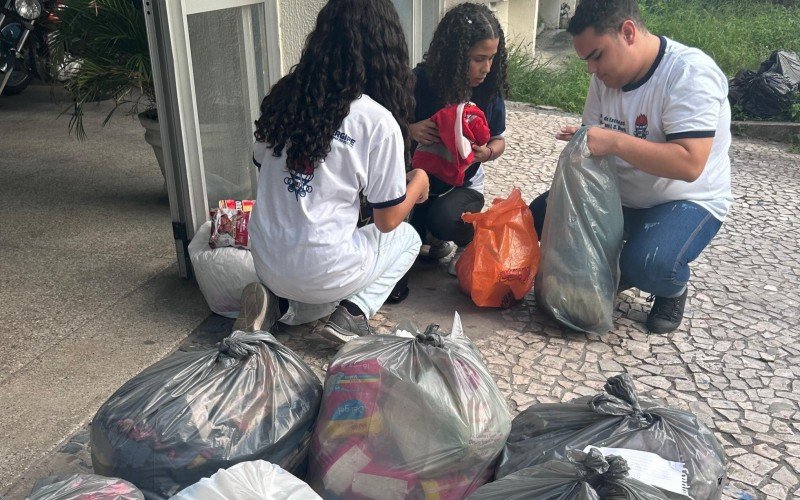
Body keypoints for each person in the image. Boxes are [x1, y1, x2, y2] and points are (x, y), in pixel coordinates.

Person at [529, 0, 732, 334]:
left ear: (628, 32)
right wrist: (584, 143)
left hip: (683, 199)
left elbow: (690, 162)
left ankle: (672, 286)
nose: (591, 70)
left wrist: (615, 142)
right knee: (539, 218)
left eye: (596, 56)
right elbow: (594, 147)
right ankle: (618, 267)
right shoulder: (605, 79)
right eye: (586, 61)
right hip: (621, 194)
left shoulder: (689, 73)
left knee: (649, 263)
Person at [233, 0, 429, 344]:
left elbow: (266, 168)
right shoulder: (375, 120)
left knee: (317, 280)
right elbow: (387, 221)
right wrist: (419, 182)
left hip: (265, 258)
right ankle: (353, 315)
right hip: (323, 267)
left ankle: (277, 304)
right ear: (386, 52)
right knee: (408, 239)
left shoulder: (282, 95)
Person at [408, 2, 508, 276]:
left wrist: (487, 153)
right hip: (418, 181)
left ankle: (468, 240)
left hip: (463, 185)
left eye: (492, 58)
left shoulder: (489, 91)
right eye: (478, 59)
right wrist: (410, 129)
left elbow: (499, 139)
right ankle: (430, 236)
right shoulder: (419, 82)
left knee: (443, 219)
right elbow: (385, 127)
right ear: (454, 54)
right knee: (406, 246)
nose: (487, 68)